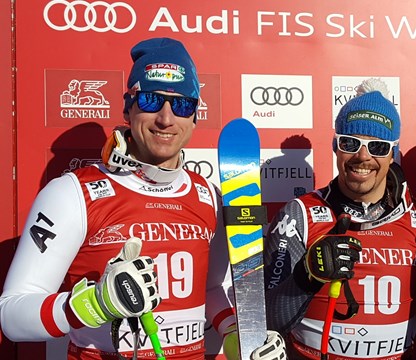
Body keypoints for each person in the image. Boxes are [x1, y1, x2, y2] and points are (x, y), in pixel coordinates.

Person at [0, 37, 285, 360]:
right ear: (128, 106)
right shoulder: (71, 193)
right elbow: (12, 315)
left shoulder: (206, 195)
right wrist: (93, 304)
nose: (166, 118)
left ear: (194, 116)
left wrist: (238, 338)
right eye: (151, 100)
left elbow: (210, 291)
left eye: (182, 105)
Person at [262, 78, 416, 360]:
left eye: (377, 146)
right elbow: (267, 320)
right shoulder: (301, 213)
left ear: (392, 154)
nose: (362, 156)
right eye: (350, 143)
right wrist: (307, 275)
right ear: (335, 146)